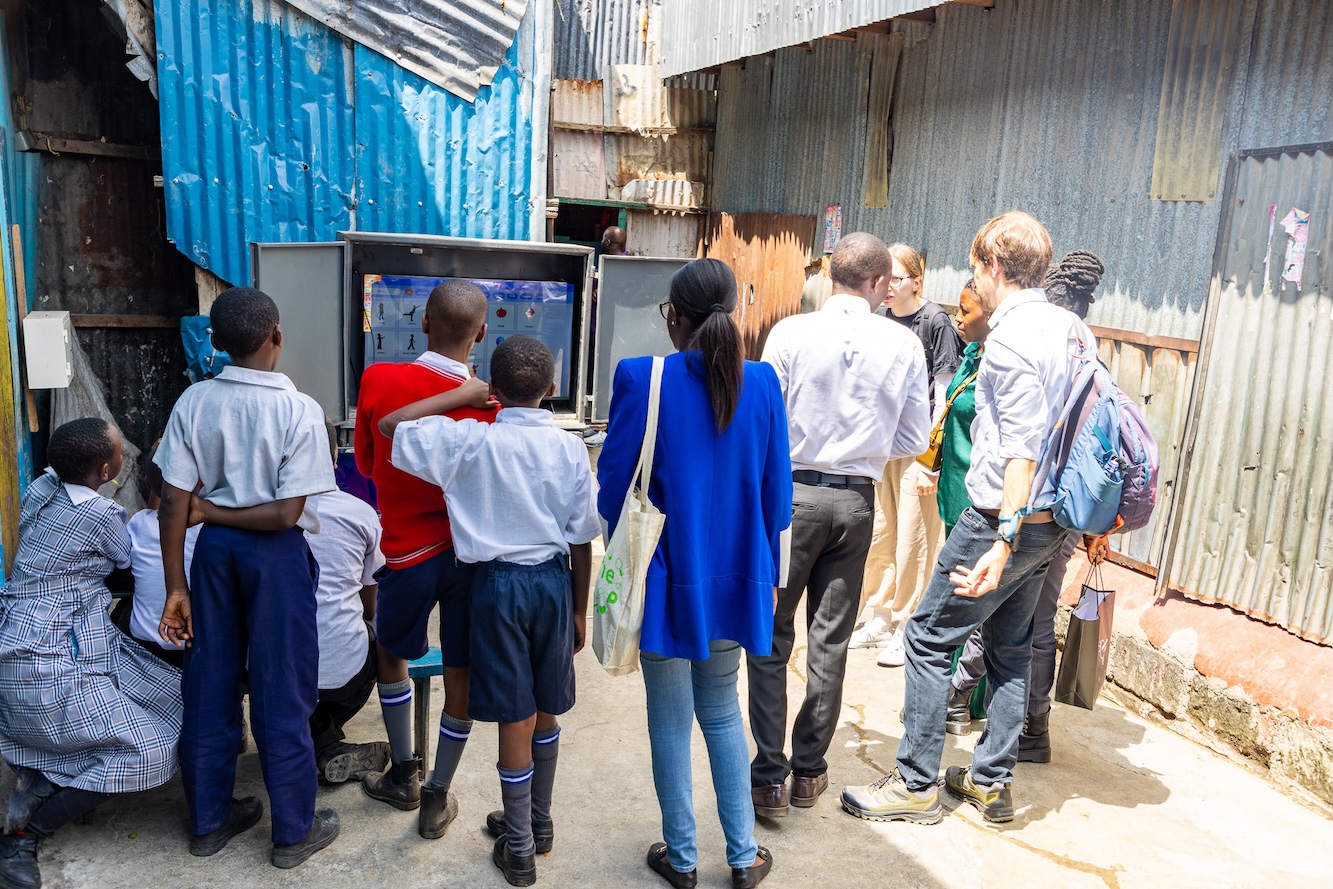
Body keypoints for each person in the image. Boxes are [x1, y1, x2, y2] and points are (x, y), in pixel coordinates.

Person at [840, 211, 1094, 826]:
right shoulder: (1071, 329)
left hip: (999, 519)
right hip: (1052, 519)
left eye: (977, 267)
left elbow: (1023, 447)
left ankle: (916, 782)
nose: (973, 283)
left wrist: (1002, 539)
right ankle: (990, 782)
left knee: (927, 637)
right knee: (1010, 648)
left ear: (995, 267)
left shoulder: (1009, 337)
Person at [597, 259, 792, 889]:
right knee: (723, 712)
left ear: (674, 317)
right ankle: (742, 856)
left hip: (662, 582)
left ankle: (680, 859)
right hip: (736, 582)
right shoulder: (762, 384)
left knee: (668, 720)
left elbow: (613, 489)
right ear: (732, 312)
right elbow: (778, 501)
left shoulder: (640, 378)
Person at [379, 334, 598, 888]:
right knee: (545, 705)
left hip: (495, 589)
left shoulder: (468, 441)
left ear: (494, 390)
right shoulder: (570, 448)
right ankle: (538, 824)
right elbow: (580, 537)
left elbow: (391, 426)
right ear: (552, 390)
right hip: (553, 584)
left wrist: (461, 396)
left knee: (511, 713)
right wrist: (579, 611)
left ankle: (520, 848)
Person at [748, 233, 931, 819]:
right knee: (829, 640)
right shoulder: (903, 343)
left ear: (830, 274)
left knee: (773, 635)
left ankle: (769, 775)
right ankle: (809, 772)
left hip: (790, 499)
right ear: (880, 282)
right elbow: (911, 436)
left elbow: (762, 417)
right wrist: (865, 451)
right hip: (856, 503)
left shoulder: (790, 332)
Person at [156, 286, 340, 868]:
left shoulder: (194, 403)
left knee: (208, 682)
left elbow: (170, 503)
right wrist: (213, 513)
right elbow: (287, 514)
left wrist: (176, 587)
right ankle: (293, 832)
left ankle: (209, 821)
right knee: (281, 685)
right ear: (277, 336)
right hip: (275, 557)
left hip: (212, 557)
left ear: (215, 343)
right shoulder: (299, 410)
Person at [0, 418, 182, 889]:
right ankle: (24, 835)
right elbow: (124, 557)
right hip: (47, 659)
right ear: (106, 469)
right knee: (154, 751)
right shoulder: (102, 516)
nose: (128, 455)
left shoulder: (42, 490)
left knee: (175, 700)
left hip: (37, 639)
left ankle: (48, 779)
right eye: (121, 451)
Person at [946, 251, 1112, 755]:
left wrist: (1005, 531)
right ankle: (1032, 730)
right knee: (1035, 625)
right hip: (1064, 513)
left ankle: (955, 704)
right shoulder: (1088, 350)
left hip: (1018, 508)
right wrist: (1093, 529)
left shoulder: (1027, 340)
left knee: (985, 614)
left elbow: (1018, 447)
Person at [353, 280, 496, 836]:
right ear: (482, 333)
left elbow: (367, 464)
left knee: (392, 653)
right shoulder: (492, 405)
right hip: (468, 556)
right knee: (459, 669)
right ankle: (438, 796)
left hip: (405, 552)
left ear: (423, 324)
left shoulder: (379, 380)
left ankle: (404, 773)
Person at [854, 243, 964, 667]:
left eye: (898, 279)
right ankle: (878, 614)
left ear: (917, 282)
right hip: (882, 444)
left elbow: (945, 393)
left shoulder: (934, 320)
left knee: (915, 540)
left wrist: (929, 457)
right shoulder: (880, 319)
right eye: (886, 278)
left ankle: (906, 624)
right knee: (881, 531)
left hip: (918, 447)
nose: (889, 287)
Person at [305, 418, 391, 785]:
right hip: (344, 675)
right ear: (335, 456)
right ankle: (325, 744)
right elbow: (372, 600)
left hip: (269, 669)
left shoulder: (262, 513)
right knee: (371, 637)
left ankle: (317, 740)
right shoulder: (359, 513)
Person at [125, 440, 201, 668]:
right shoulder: (214, 529)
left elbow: (157, 513)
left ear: (147, 484)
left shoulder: (139, 523)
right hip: (198, 643)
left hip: (149, 641)